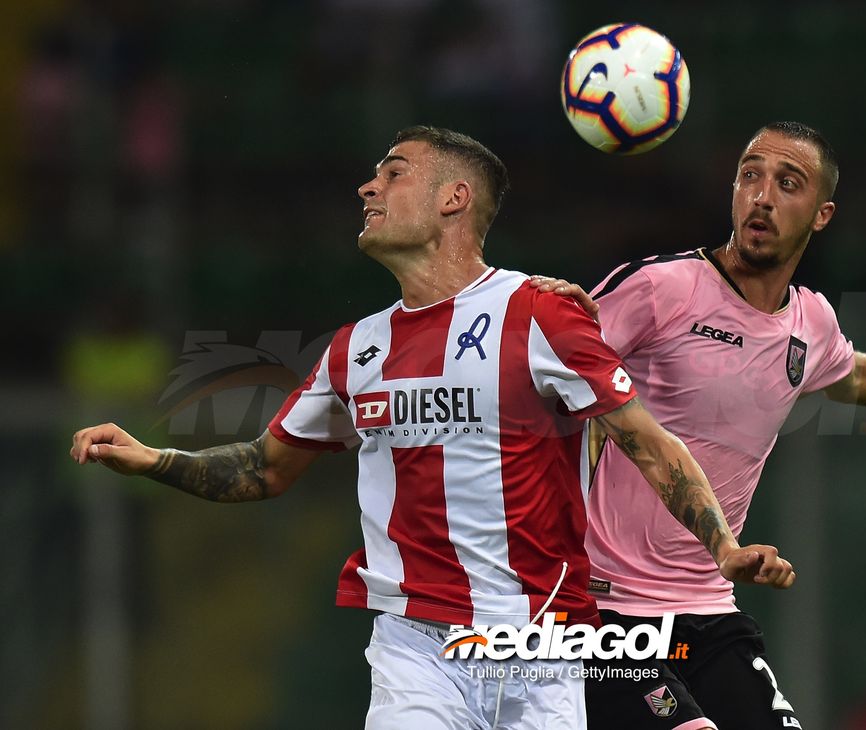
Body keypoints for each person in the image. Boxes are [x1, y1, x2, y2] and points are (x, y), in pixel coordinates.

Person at [69, 125, 797, 730]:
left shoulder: (537, 313)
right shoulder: (356, 348)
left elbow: (649, 444)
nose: (368, 188)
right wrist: (156, 459)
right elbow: (265, 467)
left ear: (455, 198)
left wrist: (722, 547)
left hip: (546, 651)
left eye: (392, 173)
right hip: (415, 654)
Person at [530, 120, 866, 730]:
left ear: (822, 214)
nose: (761, 196)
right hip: (601, 611)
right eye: (749, 176)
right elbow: (551, 363)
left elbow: (850, 374)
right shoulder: (662, 287)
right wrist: (539, 318)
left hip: (708, 606)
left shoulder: (810, 320)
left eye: (788, 183)